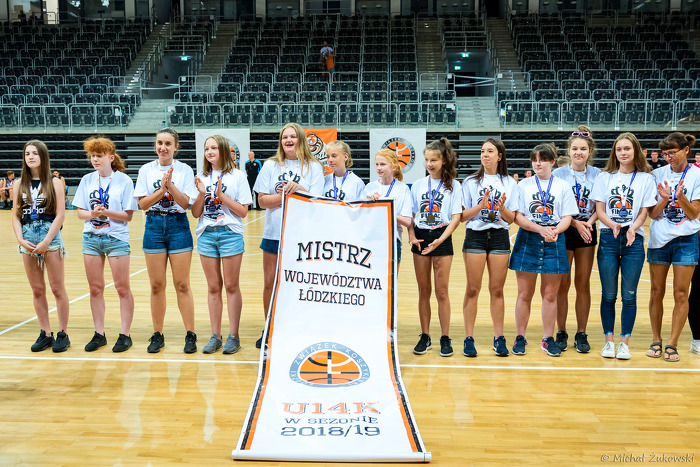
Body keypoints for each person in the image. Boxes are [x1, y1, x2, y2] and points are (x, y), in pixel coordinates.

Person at [253, 123, 325, 348]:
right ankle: (269, 327)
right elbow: (262, 201)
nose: (289, 140)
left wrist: (299, 190)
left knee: (299, 284)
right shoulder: (271, 165)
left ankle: (298, 326)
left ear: (301, 139)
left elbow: (318, 201)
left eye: (293, 136)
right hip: (274, 233)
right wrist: (286, 195)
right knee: (270, 282)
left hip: (302, 235)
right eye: (285, 137)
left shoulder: (314, 167)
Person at [509, 143, 578, 357]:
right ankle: (520, 337)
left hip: (554, 238)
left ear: (552, 162)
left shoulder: (563, 186)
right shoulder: (523, 185)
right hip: (529, 237)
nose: (537, 163)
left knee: (550, 294)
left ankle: (548, 339)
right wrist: (540, 229)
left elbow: (567, 217)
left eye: (542, 160)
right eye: (534, 160)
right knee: (524, 293)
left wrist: (555, 230)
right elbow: (518, 216)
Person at [592, 133, 657, 360]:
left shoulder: (646, 179)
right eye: (619, 149)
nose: (623, 153)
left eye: (627, 148)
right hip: (609, 238)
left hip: (633, 239)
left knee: (629, 295)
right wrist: (613, 225)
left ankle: (624, 343)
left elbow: (644, 212)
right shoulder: (604, 177)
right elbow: (600, 210)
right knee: (609, 294)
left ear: (635, 150)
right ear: (614, 153)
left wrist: (632, 228)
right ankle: (608, 341)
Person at [134, 128, 198, 354]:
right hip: (153, 225)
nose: (163, 147)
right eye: (160, 143)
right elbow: (142, 204)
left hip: (178, 225)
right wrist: (162, 190)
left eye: (168, 143)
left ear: (176, 146)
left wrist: (170, 186)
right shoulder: (146, 169)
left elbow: (185, 203)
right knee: (156, 285)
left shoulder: (185, 170)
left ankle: (190, 334)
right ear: (155, 145)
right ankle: (157, 334)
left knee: (182, 284)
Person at [73, 137, 137, 353]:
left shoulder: (124, 181)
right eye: (92, 156)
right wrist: (92, 214)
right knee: (95, 288)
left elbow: (128, 216)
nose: (95, 159)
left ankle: (125, 334)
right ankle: (99, 333)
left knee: (122, 287)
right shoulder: (87, 180)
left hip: (116, 239)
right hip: (91, 239)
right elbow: (80, 212)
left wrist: (105, 212)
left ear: (111, 157)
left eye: (99, 156)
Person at [192, 135, 251, 355]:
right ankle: (215, 336)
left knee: (231, 286)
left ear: (224, 150)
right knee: (213, 287)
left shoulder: (238, 176)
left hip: (230, 233)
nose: (209, 151)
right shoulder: (201, 176)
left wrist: (221, 195)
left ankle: (234, 336)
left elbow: (243, 212)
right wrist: (201, 194)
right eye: (207, 148)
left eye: (214, 148)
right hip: (206, 235)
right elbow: (196, 213)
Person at [461, 138, 518, 357]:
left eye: (490, 151)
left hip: (499, 236)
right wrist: (480, 206)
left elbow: (511, 219)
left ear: (499, 156)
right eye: (483, 151)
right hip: (475, 236)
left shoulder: (509, 183)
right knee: (472, 289)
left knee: (497, 290)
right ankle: (469, 338)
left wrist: (501, 209)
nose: (485, 155)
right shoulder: (470, 182)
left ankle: (499, 338)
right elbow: (462, 216)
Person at [11, 140, 70, 352]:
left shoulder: (54, 182)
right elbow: (15, 215)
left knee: (57, 288)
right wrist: (20, 240)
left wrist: (46, 241)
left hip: (49, 235)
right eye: (27, 153)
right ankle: (45, 333)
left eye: (35, 153)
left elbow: (61, 215)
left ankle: (62, 333)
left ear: (42, 156)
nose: (31, 157)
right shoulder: (19, 183)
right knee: (37, 290)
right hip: (27, 236)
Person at [646, 132, 700, 362]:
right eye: (665, 154)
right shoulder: (657, 174)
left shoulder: (697, 175)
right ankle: (656, 339)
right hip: (659, 240)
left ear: (686, 150)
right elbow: (652, 214)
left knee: (681, 293)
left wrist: (681, 198)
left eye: (672, 153)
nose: (668, 157)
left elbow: (694, 213)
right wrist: (665, 199)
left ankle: (673, 343)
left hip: (686, 240)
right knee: (656, 292)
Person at [407, 138, 463, 357]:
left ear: (444, 161)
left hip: (442, 236)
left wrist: (441, 239)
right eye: (427, 160)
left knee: (442, 292)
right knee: (424, 290)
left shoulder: (454, 185)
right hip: (421, 237)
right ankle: (425, 335)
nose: (429, 164)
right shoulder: (418, 185)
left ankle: (445, 337)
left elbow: (456, 217)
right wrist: (412, 235)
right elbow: (411, 215)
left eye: (434, 160)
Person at [551, 127, 601, 353]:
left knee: (583, 283)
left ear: (590, 151)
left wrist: (588, 223)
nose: (578, 152)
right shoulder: (558, 174)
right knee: (562, 284)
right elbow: (556, 207)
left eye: (583, 149)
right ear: (569, 151)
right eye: (575, 149)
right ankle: (561, 331)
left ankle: (581, 332)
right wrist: (575, 223)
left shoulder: (599, 174)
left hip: (588, 227)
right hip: (565, 228)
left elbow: (601, 206)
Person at [364, 149, 413, 273]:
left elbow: (407, 221)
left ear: (394, 167)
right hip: (371, 239)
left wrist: (385, 208)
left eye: (383, 164)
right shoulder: (369, 187)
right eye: (377, 164)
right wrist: (367, 203)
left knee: (391, 282)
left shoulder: (403, 189)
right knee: (372, 279)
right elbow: (361, 216)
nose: (379, 168)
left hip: (392, 240)